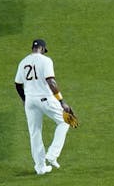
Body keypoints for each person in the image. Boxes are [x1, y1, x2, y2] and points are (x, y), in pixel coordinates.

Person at [13, 38, 74, 175]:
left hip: (30, 102)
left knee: (35, 133)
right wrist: (62, 101)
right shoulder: (46, 61)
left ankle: (40, 167)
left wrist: (24, 99)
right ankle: (52, 155)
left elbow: (17, 84)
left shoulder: (23, 62)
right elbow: (51, 82)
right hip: (45, 99)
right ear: (41, 48)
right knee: (66, 120)